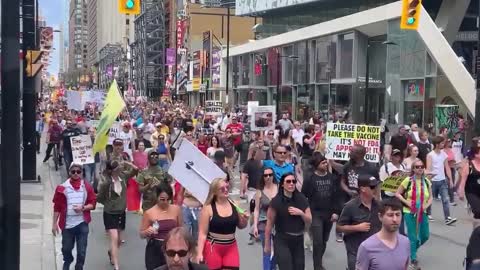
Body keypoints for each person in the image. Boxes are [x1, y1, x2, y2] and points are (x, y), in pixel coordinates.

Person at [196, 178, 249, 270]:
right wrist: (199, 253)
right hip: (214, 248)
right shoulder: (208, 208)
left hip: (231, 246)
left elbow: (241, 226)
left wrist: (244, 219)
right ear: (215, 192)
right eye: (222, 188)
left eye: (227, 187)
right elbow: (202, 233)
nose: (226, 190)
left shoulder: (234, 204)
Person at [52, 163, 97, 270]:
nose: (76, 174)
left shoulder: (86, 187)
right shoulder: (62, 188)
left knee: (82, 251)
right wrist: (54, 224)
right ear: (69, 172)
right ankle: (68, 260)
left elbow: (93, 204)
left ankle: (79, 266)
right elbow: (57, 207)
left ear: (82, 173)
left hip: (82, 223)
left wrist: (83, 208)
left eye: (78, 171)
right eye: (73, 172)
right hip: (67, 225)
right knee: (66, 249)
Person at [97, 160, 139, 270]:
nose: (120, 167)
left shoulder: (123, 177)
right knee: (114, 238)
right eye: (118, 166)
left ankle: (111, 252)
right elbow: (100, 198)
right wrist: (109, 204)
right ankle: (116, 265)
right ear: (112, 170)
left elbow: (136, 170)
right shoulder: (106, 183)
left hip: (121, 212)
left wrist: (128, 163)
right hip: (110, 213)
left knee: (119, 240)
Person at [264, 172, 311, 270]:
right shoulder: (276, 201)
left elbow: (309, 219)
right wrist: (267, 245)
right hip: (282, 239)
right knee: (286, 267)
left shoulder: (301, 198)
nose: (291, 184)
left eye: (293, 181)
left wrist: (301, 213)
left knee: (299, 267)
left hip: (298, 240)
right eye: (288, 181)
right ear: (282, 184)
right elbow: (269, 223)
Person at [301, 154, 341, 270]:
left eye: (325, 162)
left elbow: (336, 197)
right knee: (317, 241)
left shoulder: (332, 178)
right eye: (322, 162)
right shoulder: (310, 179)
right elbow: (304, 196)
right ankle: (317, 266)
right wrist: (306, 212)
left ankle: (319, 260)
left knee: (324, 240)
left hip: (329, 214)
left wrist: (336, 212)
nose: (325, 163)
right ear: (316, 165)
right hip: (315, 214)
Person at [336, 174, 382, 270]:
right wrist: (356, 228)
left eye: (376, 186)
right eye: (372, 187)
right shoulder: (350, 206)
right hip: (356, 251)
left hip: (375, 251)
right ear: (363, 189)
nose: (376, 189)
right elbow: (339, 227)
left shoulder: (379, 206)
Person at [395, 159, 432, 270]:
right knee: (413, 236)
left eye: (421, 166)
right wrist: (407, 203)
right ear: (413, 169)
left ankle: (410, 250)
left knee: (425, 236)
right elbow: (398, 193)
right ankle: (413, 259)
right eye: (417, 167)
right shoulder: (408, 180)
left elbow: (430, 198)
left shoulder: (426, 181)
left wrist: (426, 206)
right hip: (409, 211)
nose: (420, 168)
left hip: (422, 211)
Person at [355, 199, 410, 270]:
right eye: (390, 215)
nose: (395, 219)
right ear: (380, 216)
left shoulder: (405, 242)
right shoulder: (366, 247)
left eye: (398, 215)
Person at [140, 183, 182, 270]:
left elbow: (181, 229)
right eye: (162, 199)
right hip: (156, 247)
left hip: (172, 247)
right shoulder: (149, 212)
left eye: (168, 199)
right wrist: (147, 231)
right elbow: (141, 234)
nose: (165, 202)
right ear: (157, 197)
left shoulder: (176, 209)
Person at [426, 135, 457, 225]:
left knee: (445, 199)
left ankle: (447, 218)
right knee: (429, 199)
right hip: (432, 180)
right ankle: (428, 214)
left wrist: (450, 180)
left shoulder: (444, 154)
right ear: (436, 144)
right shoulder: (430, 155)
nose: (443, 144)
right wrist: (428, 178)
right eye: (442, 143)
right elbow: (428, 168)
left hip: (442, 180)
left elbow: (447, 167)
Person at [252, 167, 278, 270]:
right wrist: (255, 226)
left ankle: (273, 267)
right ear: (262, 177)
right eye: (265, 175)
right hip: (264, 223)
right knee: (267, 250)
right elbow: (257, 209)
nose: (268, 177)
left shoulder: (279, 187)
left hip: (278, 224)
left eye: (270, 175)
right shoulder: (259, 192)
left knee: (276, 251)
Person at [459, 137, 480, 225]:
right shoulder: (469, 165)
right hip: (471, 191)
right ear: (475, 154)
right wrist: (460, 192)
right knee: (478, 211)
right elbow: (463, 179)